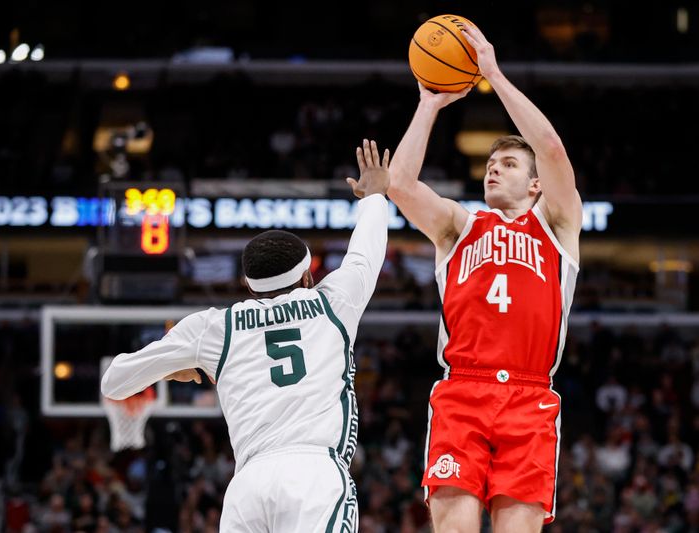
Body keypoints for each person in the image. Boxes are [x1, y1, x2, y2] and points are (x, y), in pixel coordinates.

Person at [102, 139, 391, 532]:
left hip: (247, 487)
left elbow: (114, 382)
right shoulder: (333, 303)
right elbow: (364, 253)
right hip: (313, 475)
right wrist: (374, 195)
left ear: (250, 287)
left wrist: (175, 369)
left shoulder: (215, 327)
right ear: (308, 276)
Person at [387, 23, 582, 532]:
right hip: (462, 392)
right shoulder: (459, 225)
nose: (494, 169)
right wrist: (428, 103)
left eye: (510, 164)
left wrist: (492, 74)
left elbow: (554, 148)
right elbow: (402, 185)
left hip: (529, 396)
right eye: (491, 163)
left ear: (536, 183)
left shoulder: (557, 225)